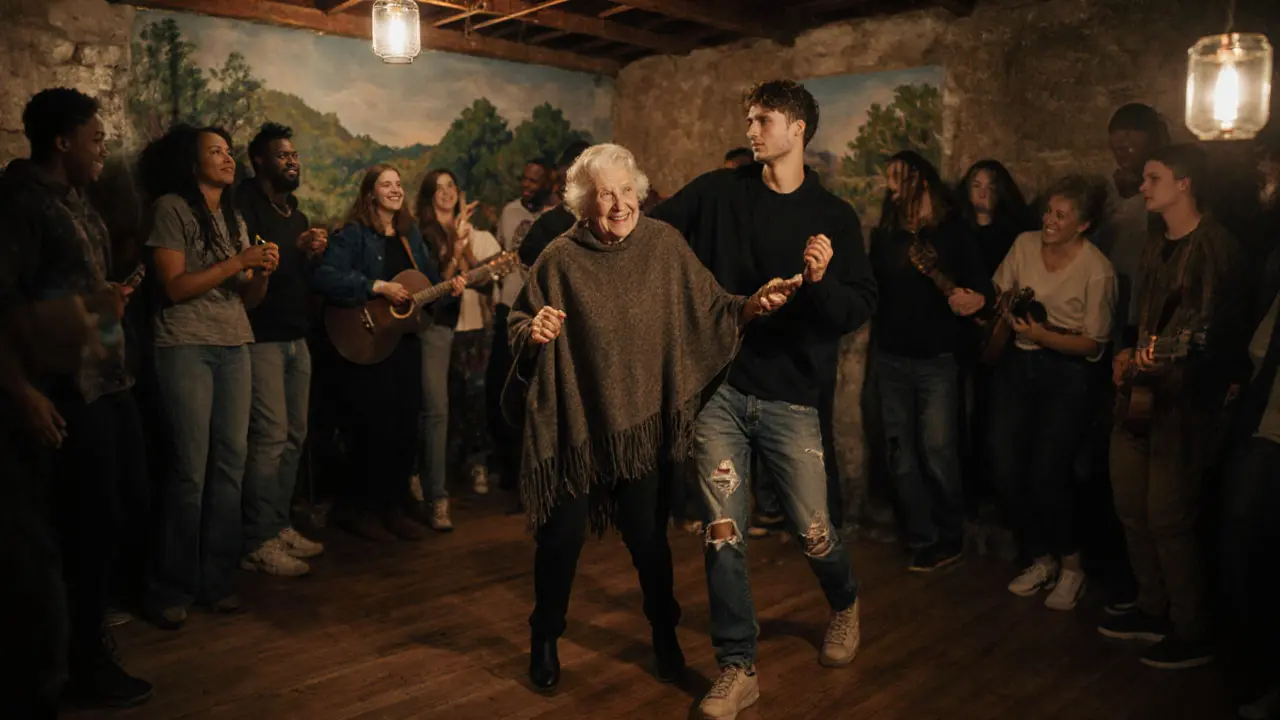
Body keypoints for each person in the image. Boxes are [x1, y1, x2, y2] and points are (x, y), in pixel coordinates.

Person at [504, 142, 801, 692]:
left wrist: (753, 304)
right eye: (603, 194)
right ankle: (544, 637)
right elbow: (519, 324)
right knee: (560, 540)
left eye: (625, 190)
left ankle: (664, 635)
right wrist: (534, 330)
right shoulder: (560, 259)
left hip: (642, 424)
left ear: (638, 191)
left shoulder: (664, 246)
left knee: (648, 540)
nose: (618, 204)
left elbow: (714, 307)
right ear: (582, 203)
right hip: (577, 427)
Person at [651, 79, 877, 719]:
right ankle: (737, 666)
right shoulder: (721, 192)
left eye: (765, 119)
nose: (753, 130)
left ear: (799, 128)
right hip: (721, 392)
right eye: (749, 119)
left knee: (814, 531)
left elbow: (854, 311)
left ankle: (844, 601)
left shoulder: (833, 217)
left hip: (791, 397)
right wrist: (602, 213)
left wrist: (821, 280)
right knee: (723, 534)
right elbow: (652, 229)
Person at [0, 87, 153, 709]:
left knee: (118, 514)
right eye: (94, 139)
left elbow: (68, 293)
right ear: (61, 142)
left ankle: (87, 650)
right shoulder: (17, 204)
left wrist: (106, 299)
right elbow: (3, 307)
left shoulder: (79, 201)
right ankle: (72, 668)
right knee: (78, 530)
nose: (103, 149)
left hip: (106, 382)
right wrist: (22, 392)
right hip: (62, 394)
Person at [1100, 143, 1246, 669]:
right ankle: (1151, 605)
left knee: (1169, 517)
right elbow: (1144, 319)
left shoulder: (1214, 246)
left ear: (1184, 183)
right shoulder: (1153, 241)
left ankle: (1191, 626)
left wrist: (1168, 362)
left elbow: (1213, 337)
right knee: (1131, 508)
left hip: (1183, 408)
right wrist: (1127, 354)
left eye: (1152, 178)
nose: (1142, 187)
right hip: (1138, 396)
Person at [141, 124, 278, 629]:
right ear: (191, 162)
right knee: (188, 472)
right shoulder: (170, 209)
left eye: (228, 151)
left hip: (234, 343)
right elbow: (175, 287)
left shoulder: (235, 217)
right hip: (186, 346)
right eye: (214, 151)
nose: (227, 158)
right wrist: (237, 262)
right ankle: (169, 587)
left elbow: (249, 299)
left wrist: (260, 271)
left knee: (230, 466)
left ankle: (216, 581)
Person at [312, 164, 463, 542]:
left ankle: (393, 508)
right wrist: (376, 286)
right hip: (368, 341)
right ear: (370, 193)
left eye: (398, 184)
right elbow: (325, 276)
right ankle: (361, 510)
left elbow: (427, 283)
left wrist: (450, 286)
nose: (395, 190)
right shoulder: (353, 234)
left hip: (405, 342)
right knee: (370, 428)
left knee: (404, 426)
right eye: (386, 184)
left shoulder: (410, 235)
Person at [986, 175, 1117, 611]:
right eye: (1048, 211)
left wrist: (1042, 336)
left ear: (1083, 224)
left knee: (1048, 472)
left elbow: (1093, 344)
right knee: (1006, 465)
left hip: (1067, 375)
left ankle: (1072, 567)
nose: (1049, 220)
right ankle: (1040, 558)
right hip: (1018, 367)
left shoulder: (1096, 269)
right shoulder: (1024, 245)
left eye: (1061, 215)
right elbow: (1001, 289)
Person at [869, 150, 990, 572]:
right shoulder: (886, 234)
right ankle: (921, 536)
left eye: (897, 178)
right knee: (901, 454)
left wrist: (967, 296)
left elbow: (979, 290)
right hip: (892, 357)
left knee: (938, 450)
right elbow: (874, 290)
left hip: (937, 358)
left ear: (919, 179)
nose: (890, 187)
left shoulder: (952, 232)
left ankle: (950, 534)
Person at [237, 122, 327, 577]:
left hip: (297, 337)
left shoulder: (297, 215)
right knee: (269, 439)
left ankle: (278, 523)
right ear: (259, 161)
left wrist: (310, 251)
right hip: (261, 338)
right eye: (283, 155)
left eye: (294, 155)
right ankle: (256, 540)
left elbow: (297, 276)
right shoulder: (244, 206)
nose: (292, 162)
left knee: (293, 436)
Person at [1220, 128, 1280, 720]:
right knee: (1245, 537)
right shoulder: (1273, 248)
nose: (1264, 176)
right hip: (1268, 419)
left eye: (1269, 165)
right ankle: (1259, 676)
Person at [412, 168, 496, 530]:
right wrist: (456, 249)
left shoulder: (466, 232)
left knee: (455, 405)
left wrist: (462, 246)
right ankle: (429, 487)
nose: (446, 191)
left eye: (451, 185)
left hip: (452, 327)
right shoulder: (420, 234)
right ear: (429, 194)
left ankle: (438, 484)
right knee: (434, 409)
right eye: (439, 186)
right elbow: (434, 283)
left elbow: (483, 277)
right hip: (426, 327)